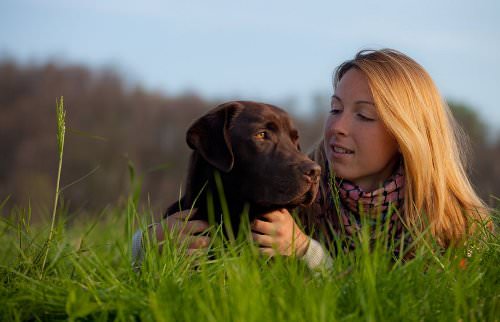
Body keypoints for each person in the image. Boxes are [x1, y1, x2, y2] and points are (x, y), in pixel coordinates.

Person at [132, 48, 491, 269]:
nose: (338, 127)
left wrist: (307, 252)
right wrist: (147, 246)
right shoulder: (288, 197)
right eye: (335, 109)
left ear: (406, 135)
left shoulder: (461, 228)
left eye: (364, 115)